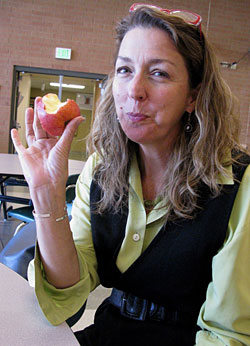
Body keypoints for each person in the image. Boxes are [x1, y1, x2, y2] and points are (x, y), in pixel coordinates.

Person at [11, 4, 250, 346]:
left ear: (193, 96)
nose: (134, 90)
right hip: (110, 332)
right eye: (124, 70)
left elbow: (228, 336)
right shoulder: (102, 168)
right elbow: (67, 296)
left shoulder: (238, 184)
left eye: (159, 73)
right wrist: (47, 195)